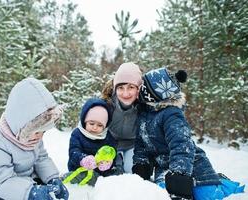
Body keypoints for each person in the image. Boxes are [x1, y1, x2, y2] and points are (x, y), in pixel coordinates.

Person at [132, 67, 245, 199]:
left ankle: (225, 185)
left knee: (208, 196)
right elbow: (141, 144)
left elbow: (182, 144)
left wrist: (179, 173)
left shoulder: (171, 115)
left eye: (143, 88)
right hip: (164, 169)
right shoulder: (143, 115)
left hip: (193, 165)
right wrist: (141, 165)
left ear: (152, 93)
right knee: (163, 194)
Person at [0, 78, 69, 200]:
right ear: (20, 124)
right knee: (0, 196)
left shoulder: (34, 138)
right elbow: (3, 181)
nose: (40, 136)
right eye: (36, 131)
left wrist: (52, 178)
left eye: (44, 131)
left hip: (20, 177)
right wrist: (30, 192)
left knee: (43, 190)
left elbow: (41, 159)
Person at [65, 98, 120, 186]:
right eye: (91, 123)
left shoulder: (107, 136)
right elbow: (74, 151)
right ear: (85, 121)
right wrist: (82, 159)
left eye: (99, 125)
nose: (94, 128)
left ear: (105, 126)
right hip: (80, 169)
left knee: (116, 174)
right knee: (71, 178)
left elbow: (112, 151)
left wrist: (108, 162)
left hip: (100, 172)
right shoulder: (77, 133)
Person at [101, 62, 143, 173]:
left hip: (133, 145)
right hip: (109, 143)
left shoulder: (144, 106)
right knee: (109, 171)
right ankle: (117, 160)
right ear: (115, 88)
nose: (125, 93)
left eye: (131, 87)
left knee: (132, 171)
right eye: (121, 88)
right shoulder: (106, 104)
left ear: (138, 89)